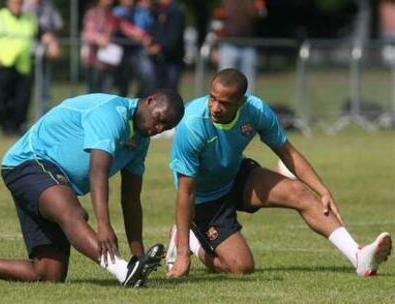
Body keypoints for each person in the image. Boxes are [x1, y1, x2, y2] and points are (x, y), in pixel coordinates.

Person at [165, 68, 392, 278]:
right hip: (204, 199)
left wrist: (322, 190)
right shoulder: (192, 124)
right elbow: (186, 192)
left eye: (224, 103)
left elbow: (288, 153)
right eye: (212, 98)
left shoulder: (256, 110)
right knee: (241, 267)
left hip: (235, 175)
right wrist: (184, 255)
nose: (215, 107)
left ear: (241, 102)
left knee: (299, 192)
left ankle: (358, 256)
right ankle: (191, 240)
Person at [0, 89, 185, 286]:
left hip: (54, 179)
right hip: (29, 162)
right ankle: (122, 271)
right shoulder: (112, 114)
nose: (158, 128)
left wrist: (139, 256)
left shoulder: (140, 141)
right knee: (73, 212)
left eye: (165, 128)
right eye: (159, 119)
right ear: (150, 101)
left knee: (48, 274)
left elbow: (131, 198)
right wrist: (103, 226)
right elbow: (98, 171)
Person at [0, 0, 40, 136]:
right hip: (1, 65)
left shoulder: (30, 19)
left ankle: (18, 127)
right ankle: (6, 128)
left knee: (22, 100)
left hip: (23, 65)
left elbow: (41, 36)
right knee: (2, 100)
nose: (18, 4)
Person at [214, 0, 267, 93]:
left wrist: (259, 9)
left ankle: (247, 107)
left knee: (249, 86)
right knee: (223, 82)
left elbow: (262, 14)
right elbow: (217, 22)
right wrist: (216, 47)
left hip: (248, 46)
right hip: (228, 45)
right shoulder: (225, 2)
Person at [81, 0, 118, 93]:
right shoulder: (92, 14)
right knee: (93, 90)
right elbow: (88, 33)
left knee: (107, 90)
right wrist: (99, 39)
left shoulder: (112, 15)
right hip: (93, 59)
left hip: (108, 60)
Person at [148, 0, 185, 91]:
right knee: (157, 88)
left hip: (173, 58)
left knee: (170, 89)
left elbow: (174, 36)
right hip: (160, 59)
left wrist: (160, 47)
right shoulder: (158, 12)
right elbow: (155, 31)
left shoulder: (176, 12)